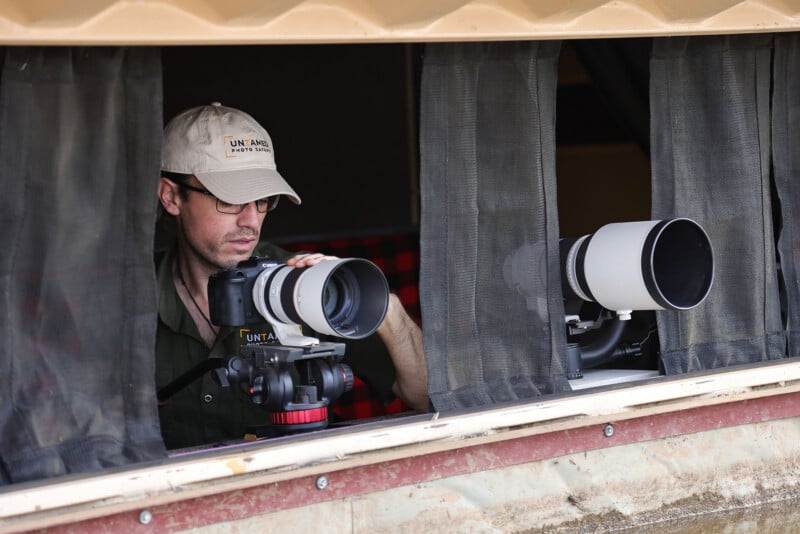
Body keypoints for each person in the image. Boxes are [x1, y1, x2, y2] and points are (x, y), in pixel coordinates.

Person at [155, 102, 427, 450]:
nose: (251, 220)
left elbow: (427, 397)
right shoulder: (132, 299)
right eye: (230, 199)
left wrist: (383, 308)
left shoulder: (301, 287)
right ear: (171, 197)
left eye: (263, 199)